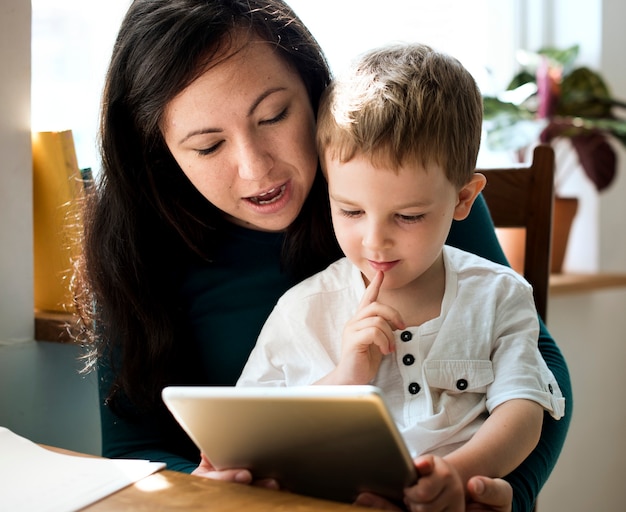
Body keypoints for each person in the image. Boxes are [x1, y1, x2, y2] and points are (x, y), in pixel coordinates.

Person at [72, 1, 572, 511]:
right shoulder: (136, 246)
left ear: (313, 91)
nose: (255, 168)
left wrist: (494, 494)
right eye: (207, 146)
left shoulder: (406, 180)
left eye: (274, 115)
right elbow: (133, 448)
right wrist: (206, 487)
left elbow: (536, 368)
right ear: (158, 150)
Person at [236, 42, 565, 510]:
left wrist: (456, 475)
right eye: (350, 210)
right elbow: (251, 432)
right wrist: (349, 375)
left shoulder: (498, 295)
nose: (374, 241)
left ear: (464, 199)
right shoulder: (304, 310)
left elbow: (524, 410)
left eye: (408, 216)